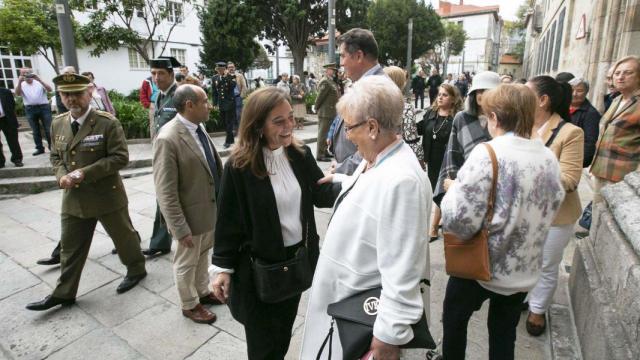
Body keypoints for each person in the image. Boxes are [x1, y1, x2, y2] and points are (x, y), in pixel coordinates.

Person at [301, 75, 430, 360]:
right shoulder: (379, 158)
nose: (347, 136)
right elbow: (375, 198)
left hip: (362, 317)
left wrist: (387, 338)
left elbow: (403, 271)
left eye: (349, 127)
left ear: (372, 127)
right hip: (348, 303)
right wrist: (345, 180)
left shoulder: (402, 181)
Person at [210, 87, 339, 359]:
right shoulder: (239, 165)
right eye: (279, 121)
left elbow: (321, 195)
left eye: (291, 117)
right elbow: (227, 222)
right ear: (257, 125)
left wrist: (354, 178)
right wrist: (222, 268)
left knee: (282, 334)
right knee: (261, 345)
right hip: (258, 273)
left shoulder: (299, 154)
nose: (289, 126)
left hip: (294, 264)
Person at [440, 84, 565, 360]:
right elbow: (553, 206)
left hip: (479, 266)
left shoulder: (488, 153)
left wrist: (452, 190)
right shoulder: (547, 157)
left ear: (494, 117)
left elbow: (458, 220)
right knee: (503, 337)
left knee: (454, 324)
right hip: (522, 269)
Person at [26, 74, 147, 311]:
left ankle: (136, 269)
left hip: (106, 195)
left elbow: (120, 157)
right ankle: (64, 293)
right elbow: (54, 156)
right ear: (60, 96)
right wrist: (61, 175)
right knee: (69, 248)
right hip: (74, 199)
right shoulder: (58, 123)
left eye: (77, 93)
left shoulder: (107, 122)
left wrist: (84, 173)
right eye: (66, 94)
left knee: (124, 239)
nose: (72, 99)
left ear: (89, 92)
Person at [153, 84, 223, 324]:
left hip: (207, 212)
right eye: (205, 101)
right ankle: (189, 304)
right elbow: (165, 191)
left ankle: (202, 291)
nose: (209, 105)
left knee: (203, 256)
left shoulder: (198, 127)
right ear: (189, 105)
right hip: (188, 219)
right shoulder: (168, 138)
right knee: (185, 263)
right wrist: (179, 228)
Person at [525, 76, 584, 336]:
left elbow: (570, 180)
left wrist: (529, 165)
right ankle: (524, 296)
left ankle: (537, 310)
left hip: (556, 216)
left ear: (543, 100)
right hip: (525, 213)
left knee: (547, 264)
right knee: (525, 260)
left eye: (526, 94)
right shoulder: (522, 127)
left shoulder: (571, 133)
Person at [432, 71, 500, 206]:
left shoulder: (504, 120)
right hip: (462, 188)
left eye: (487, 90)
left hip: (495, 190)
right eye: (478, 90)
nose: (482, 94)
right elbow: (452, 155)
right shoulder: (462, 118)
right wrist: (457, 185)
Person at [331, 28, 386, 175]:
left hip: (358, 177)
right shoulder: (364, 84)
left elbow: (376, 145)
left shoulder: (377, 89)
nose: (341, 63)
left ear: (359, 56)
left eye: (343, 56)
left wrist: (341, 169)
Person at [143, 56, 181, 258]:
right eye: (153, 74)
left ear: (171, 74)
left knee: (168, 198)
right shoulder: (159, 95)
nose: (156, 78)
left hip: (177, 157)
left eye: (161, 73)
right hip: (162, 156)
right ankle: (160, 241)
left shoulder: (180, 95)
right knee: (164, 198)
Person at [590, 56, 640, 204]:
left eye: (627, 73)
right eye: (617, 73)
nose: (620, 77)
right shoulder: (617, 99)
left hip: (622, 175)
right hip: (602, 169)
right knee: (597, 215)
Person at [417, 83, 463, 240]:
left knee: (441, 192)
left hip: (449, 161)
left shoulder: (457, 117)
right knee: (436, 191)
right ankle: (443, 219)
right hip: (432, 159)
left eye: (445, 95)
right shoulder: (431, 113)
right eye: (439, 94)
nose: (440, 97)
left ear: (453, 99)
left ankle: (434, 227)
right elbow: (419, 129)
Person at [384, 66, 423, 163]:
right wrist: (421, 161)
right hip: (399, 158)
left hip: (379, 157)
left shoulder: (376, 105)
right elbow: (411, 140)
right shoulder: (405, 108)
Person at [15, 68, 53, 156]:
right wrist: (20, 82)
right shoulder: (21, 84)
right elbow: (17, 94)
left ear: (32, 73)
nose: (27, 75)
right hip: (30, 109)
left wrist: (39, 79)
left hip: (44, 107)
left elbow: (50, 89)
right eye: (24, 74)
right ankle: (39, 148)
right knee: (35, 130)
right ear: (20, 75)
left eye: (28, 73)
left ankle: (52, 147)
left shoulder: (38, 82)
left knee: (48, 128)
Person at [568, 77, 600, 167]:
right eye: (571, 90)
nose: (574, 94)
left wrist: (577, 164)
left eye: (579, 91)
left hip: (572, 161)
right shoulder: (562, 107)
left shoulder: (591, 113)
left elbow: (590, 143)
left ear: (586, 92)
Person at [315, 63, 339, 161]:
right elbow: (320, 97)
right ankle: (320, 155)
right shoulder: (325, 81)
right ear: (327, 70)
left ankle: (324, 151)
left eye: (334, 70)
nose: (334, 71)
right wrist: (316, 108)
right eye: (332, 70)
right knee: (323, 133)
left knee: (327, 133)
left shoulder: (330, 81)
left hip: (330, 111)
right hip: (325, 112)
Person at [212, 61, 237, 148]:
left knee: (228, 122)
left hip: (229, 103)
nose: (218, 71)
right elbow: (214, 92)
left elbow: (232, 86)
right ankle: (231, 139)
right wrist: (214, 103)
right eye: (218, 69)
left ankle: (227, 142)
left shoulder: (231, 76)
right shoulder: (214, 78)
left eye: (220, 69)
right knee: (224, 123)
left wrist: (226, 77)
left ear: (224, 69)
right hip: (221, 103)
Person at [0, 87, 24, 168]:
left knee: (13, 140)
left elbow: (12, 104)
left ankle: (17, 159)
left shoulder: (6, 92)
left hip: (7, 118)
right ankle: (0, 162)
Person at [228, 62, 247, 133]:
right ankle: (235, 130)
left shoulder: (239, 76)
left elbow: (244, 86)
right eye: (229, 67)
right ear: (227, 68)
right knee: (231, 115)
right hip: (229, 99)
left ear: (234, 68)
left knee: (239, 114)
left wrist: (241, 96)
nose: (231, 68)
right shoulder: (225, 76)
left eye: (232, 67)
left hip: (238, 97)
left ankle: (241, 130)